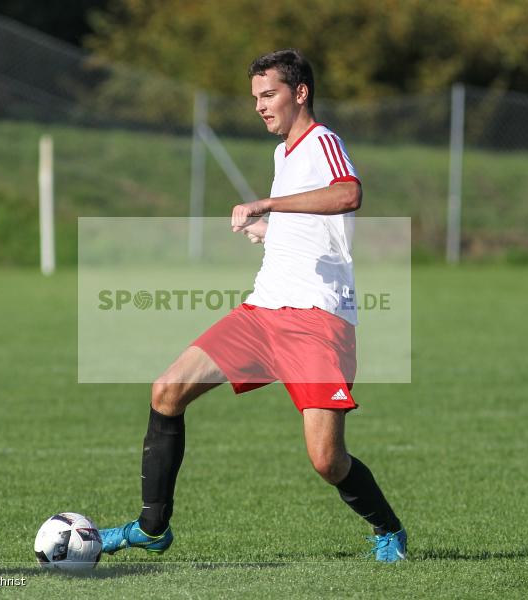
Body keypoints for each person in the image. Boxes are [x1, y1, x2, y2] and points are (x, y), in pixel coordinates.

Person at [99, 49, 407, 562]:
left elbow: (348, 194)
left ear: (300, 92)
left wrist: (266, 205)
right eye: (255, 99)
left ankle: (388, 529)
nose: (260, 107)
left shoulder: (322, 141)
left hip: (318, 321)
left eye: (269, 95)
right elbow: (312, 226)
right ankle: (152, 528)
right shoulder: (282, 154)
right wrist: (271, 232)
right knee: (166, 391)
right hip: (263, 313)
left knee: (326, 461)